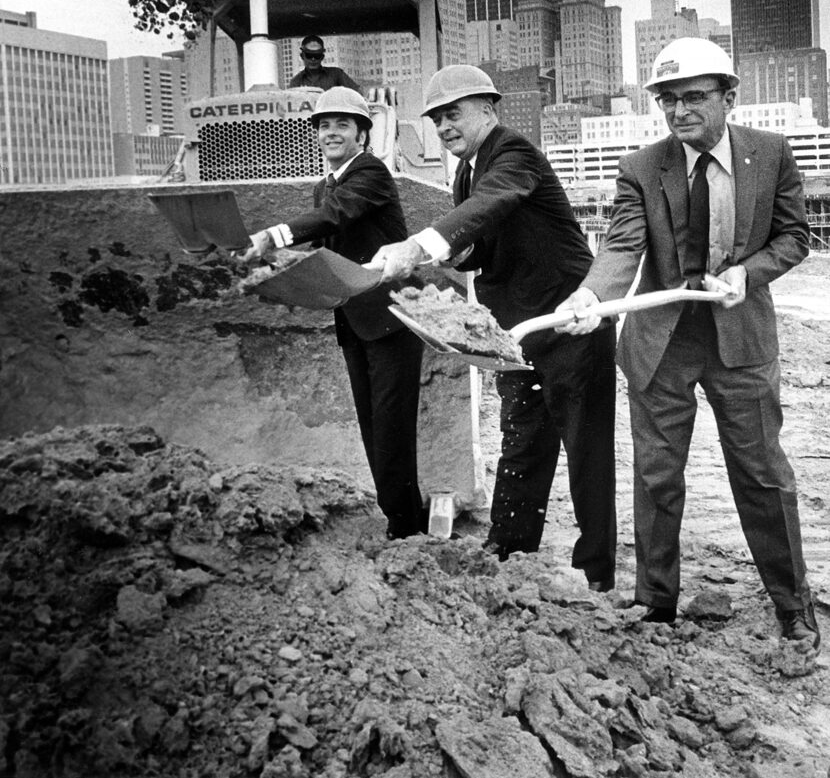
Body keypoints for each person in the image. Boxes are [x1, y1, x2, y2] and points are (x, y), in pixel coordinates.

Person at [555, 37, 820, 648]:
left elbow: (794, 237)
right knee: (656, 478)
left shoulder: (771, 153)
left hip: (740, 339)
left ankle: (792, 606)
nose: (679, 111)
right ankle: (655, 606)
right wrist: (592, 298)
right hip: (662, 341)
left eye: (694, 97)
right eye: (667, 100)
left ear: (730, 96)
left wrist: (746, 275)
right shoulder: (642, 167)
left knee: (762, 474)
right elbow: (622, 246)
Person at [370, 65, 617, 591]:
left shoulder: (512, 153)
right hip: (518, 329)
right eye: (436, 119)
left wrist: (421, 245)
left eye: (452, 114)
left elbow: (496, 201)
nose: (443, 127)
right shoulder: (464, 171)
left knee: (586, 446)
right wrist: (449, 257)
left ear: (488, 108)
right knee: (522, 437)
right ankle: (509, 552)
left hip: (570, 318)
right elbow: (481, 237)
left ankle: (597, 573)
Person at [242, 87, 424, 540]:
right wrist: (277, 272)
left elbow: (335, 217)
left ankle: (407, 528)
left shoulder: (371, 172)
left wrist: (274, 236)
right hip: (353, 320)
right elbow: (327, 243)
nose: (331, 133)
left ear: (362, 133)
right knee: (370, 423)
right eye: (323, 126)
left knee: (392, 427)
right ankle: (395, 518)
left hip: (390, 319)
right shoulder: (324, 185)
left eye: (342, 124)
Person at [289, 35, 362, 92]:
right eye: (309, 55)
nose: (313, 59)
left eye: (317, 55)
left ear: (322, 57)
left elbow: (356, 94)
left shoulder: (337, 74)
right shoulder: (296, 82)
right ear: (302, 56)